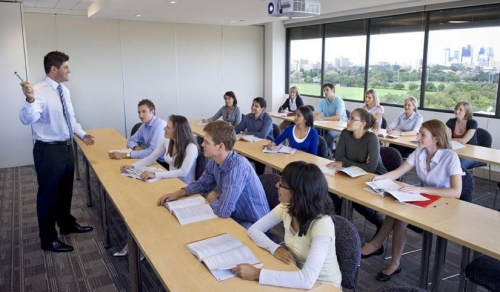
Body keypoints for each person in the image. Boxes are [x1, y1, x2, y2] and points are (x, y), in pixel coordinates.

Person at [361, 120, 462, 282]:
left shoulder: (450, 157)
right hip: (424, 198)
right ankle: (384, 252)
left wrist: (422, 189)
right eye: (419, 133)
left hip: (445, 204)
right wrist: (379, 178)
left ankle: (386, 254)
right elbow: (398, 172)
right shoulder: (420, 152)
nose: (418, 137)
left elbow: (456, 192)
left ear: (435, 138)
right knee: (397, 209)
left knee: (400, 216)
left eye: (423, 135)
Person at [19, 51, 94, 253]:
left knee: (65, 190)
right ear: (54, 69)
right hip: (48, 150)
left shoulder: (64, 90)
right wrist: (29, 100)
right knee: (48, 195)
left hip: (67, 146)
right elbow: (27, 119)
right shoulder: (38, 91)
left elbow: (70, 118)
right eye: (66, 67)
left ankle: (66, 223)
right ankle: (48, 238)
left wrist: (81, 134)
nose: (70, 70)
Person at [232, 161, 342, 289]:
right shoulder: (287, 207)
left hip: (322, 286)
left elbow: (307, 279)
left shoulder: (322, 224)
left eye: (282, 184)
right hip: (295, 273)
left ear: (297, 193)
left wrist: (257, 274)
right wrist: (275, 249)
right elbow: (254, 230)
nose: (277, 185)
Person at [157, 120, 270, 229]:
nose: (202, 144)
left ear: (220, 146)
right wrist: (178, 193)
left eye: (207, 142)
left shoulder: (237, 168)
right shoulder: (215, 160)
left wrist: (213, 199)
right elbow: (202, 184)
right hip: (235, 214)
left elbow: (224, 210)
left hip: (254, 222)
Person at [326, 108, 387, 233]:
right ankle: (341, 219)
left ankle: (379, 222)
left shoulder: (371, 138)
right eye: (349, 118)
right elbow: (339, 158)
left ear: (362, 123)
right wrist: (355, 164)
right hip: (352, 173)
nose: (348, 121)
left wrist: (345, 163)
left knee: (356, 200)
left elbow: (371, 168)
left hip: (375, 177)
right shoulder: (345, 133)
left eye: (352, 119)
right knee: (327, 188)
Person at [120, 115, 199, 183]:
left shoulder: (191, 147)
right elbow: (150, 158)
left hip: (184, 185)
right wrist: (133, 166)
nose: (164, 129)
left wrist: (155, 174)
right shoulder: (167, 140)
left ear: (177, 131)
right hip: (171, 180)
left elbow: (183, 172)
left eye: (168, 128)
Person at [109, 99, 168, 169]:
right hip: (150, 159)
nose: (140, 115)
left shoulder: (160, 125)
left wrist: (126, 155)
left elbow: (153, 152)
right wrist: (135, 147)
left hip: (163, 163)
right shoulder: (144, 125)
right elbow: (130, 140)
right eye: (139, 112)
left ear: (152, 112)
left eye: (144, 112)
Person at [235, 97, 273, 175]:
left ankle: (259, 178)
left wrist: (247, 133)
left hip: (266, 147)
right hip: (250, 144)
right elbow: (237, 129)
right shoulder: (248, 117)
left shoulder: (268, 118)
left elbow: (263, 135)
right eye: (252, 105)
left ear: (263, 108)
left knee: (258, 160)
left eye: (256, 106)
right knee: (237, 155)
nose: (253, 107)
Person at [314, 83, 347, 154]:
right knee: (313, 130)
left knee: (330, 134)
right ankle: (315, 149)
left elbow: (337, 117)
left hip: (339, 127)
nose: (325, 92)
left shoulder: (339, 101)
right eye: (324, 90)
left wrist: (322, 119)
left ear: (332, 90)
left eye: (327, 90)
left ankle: (324, 153)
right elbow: (315, 112)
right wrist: (308, 116)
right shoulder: (323, 102)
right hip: (327, 125)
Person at [446, 101, 478, 169]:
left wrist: (449, 139)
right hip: (456, 150)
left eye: (460, 110)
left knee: (458, 165)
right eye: (456, 109)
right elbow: (443, 135)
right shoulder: (451, 122)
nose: (457, 111)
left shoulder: (472, 123)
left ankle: (462, 179)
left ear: (467, 111)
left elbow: (464, 141)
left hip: (471, 153)